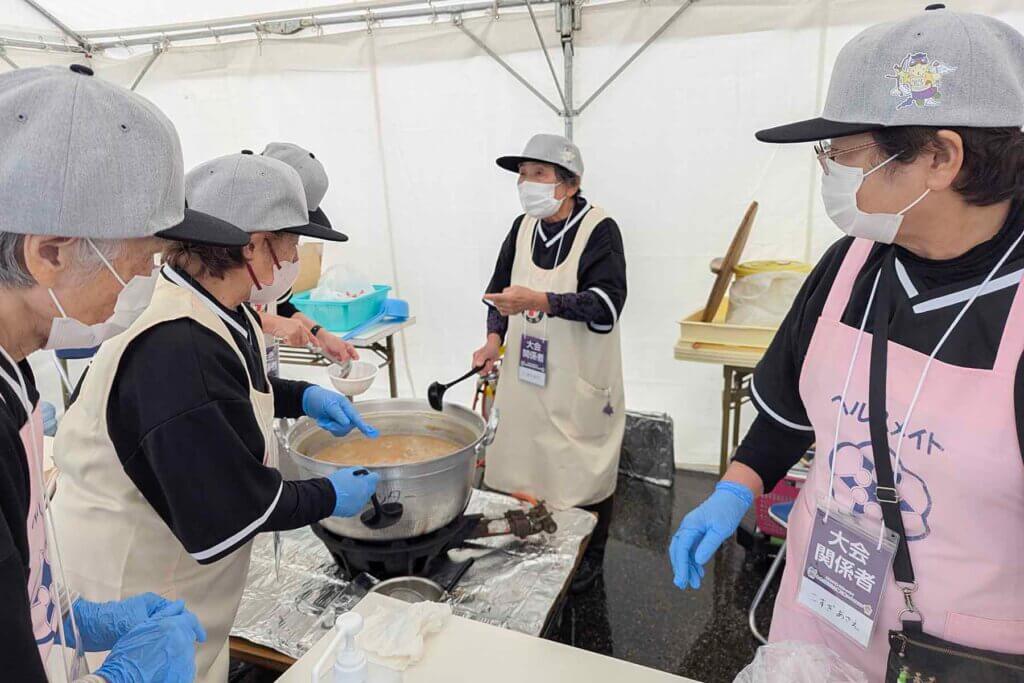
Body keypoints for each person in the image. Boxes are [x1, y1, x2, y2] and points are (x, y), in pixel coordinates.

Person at [670, 6, 1024, 680]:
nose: (829, 166)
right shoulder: (851, 264)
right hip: (820, 617)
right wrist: (735, 489)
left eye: (845, 150)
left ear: (941, 156)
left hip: (959, 656)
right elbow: (785, 414)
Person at [51, 151, 381, 683]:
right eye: (291, 243)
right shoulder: (175, 344)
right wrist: (330, 495)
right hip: (133, 594)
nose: (296, 257)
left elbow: (232, 388)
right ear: (252, 244)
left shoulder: (218, 306)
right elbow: (230, 507)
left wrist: (302, 396)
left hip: (177, 590)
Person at [0, 65, 240, 682]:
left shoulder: (17, 370)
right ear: (49, 254)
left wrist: (62, 618)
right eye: (145, 259)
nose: (149, 282)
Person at [477, 133, 627, 592]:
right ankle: (534, 548)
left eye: (538, 174)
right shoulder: (522, 227)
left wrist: (541, 299)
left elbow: (606, 304)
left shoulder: (599, 229)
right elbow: (498, 293)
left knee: (579, 477)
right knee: (524, 465)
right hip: (526, 378)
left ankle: (586, 566)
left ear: (569, 183)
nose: (527, 184)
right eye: (523, 175)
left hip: (577, 381)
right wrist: (491, 339)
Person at [257, 142, 358, 367]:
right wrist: (270, 323)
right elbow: (210, 314)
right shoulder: (220, 253)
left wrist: (321, 335)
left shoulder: (271, 256)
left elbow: (280, 305)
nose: (294, 254)